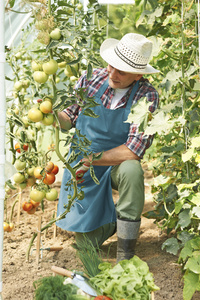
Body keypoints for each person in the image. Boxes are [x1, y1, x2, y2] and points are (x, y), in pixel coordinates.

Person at [56, 33, 159, 262]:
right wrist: (53, 113)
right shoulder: (90, 79)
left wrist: (92, 159)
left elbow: (133, 150)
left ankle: (125, 252)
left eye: (121, 71)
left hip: (114, 164)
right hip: (82, 165)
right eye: (112, 65)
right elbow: (69, 117)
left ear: (138, 74)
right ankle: (112, 221)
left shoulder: (147, 95)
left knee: (133, 169)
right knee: (86, 244)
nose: (112, 74)